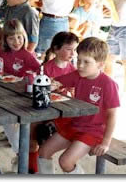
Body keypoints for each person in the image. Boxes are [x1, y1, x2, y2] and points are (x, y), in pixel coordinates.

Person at [38, 37, 120, 174]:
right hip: (74, 124)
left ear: (100, 65)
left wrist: (106, 142)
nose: (80, 65)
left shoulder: (108, 84)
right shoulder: (78, 75)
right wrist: (52, 85)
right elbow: (55, 82)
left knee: (65, 162)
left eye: (86, 62)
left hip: (93, 131)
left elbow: (112, 115)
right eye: (78, 60)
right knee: (44, 151)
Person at [0, 19, 40, 171]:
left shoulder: (27, 55)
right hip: (2, 95)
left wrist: (28, 77)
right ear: (5, 40)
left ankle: (21, 156)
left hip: (17, 99)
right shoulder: (4, 53)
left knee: (10, 127)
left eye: (19, 37)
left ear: (24, 36)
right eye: (11, 38)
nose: (16, 41)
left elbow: (40, 70)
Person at [28, 31, 79, 174]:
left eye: (74, 49)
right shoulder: (46, 69)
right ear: (56, 49)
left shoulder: (72, 70)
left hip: (63, 110)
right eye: (69, 49)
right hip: (45, 109)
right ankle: (32, 166)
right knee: (33, 133)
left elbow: (74, 95)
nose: (73, 53)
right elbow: (37, 91)